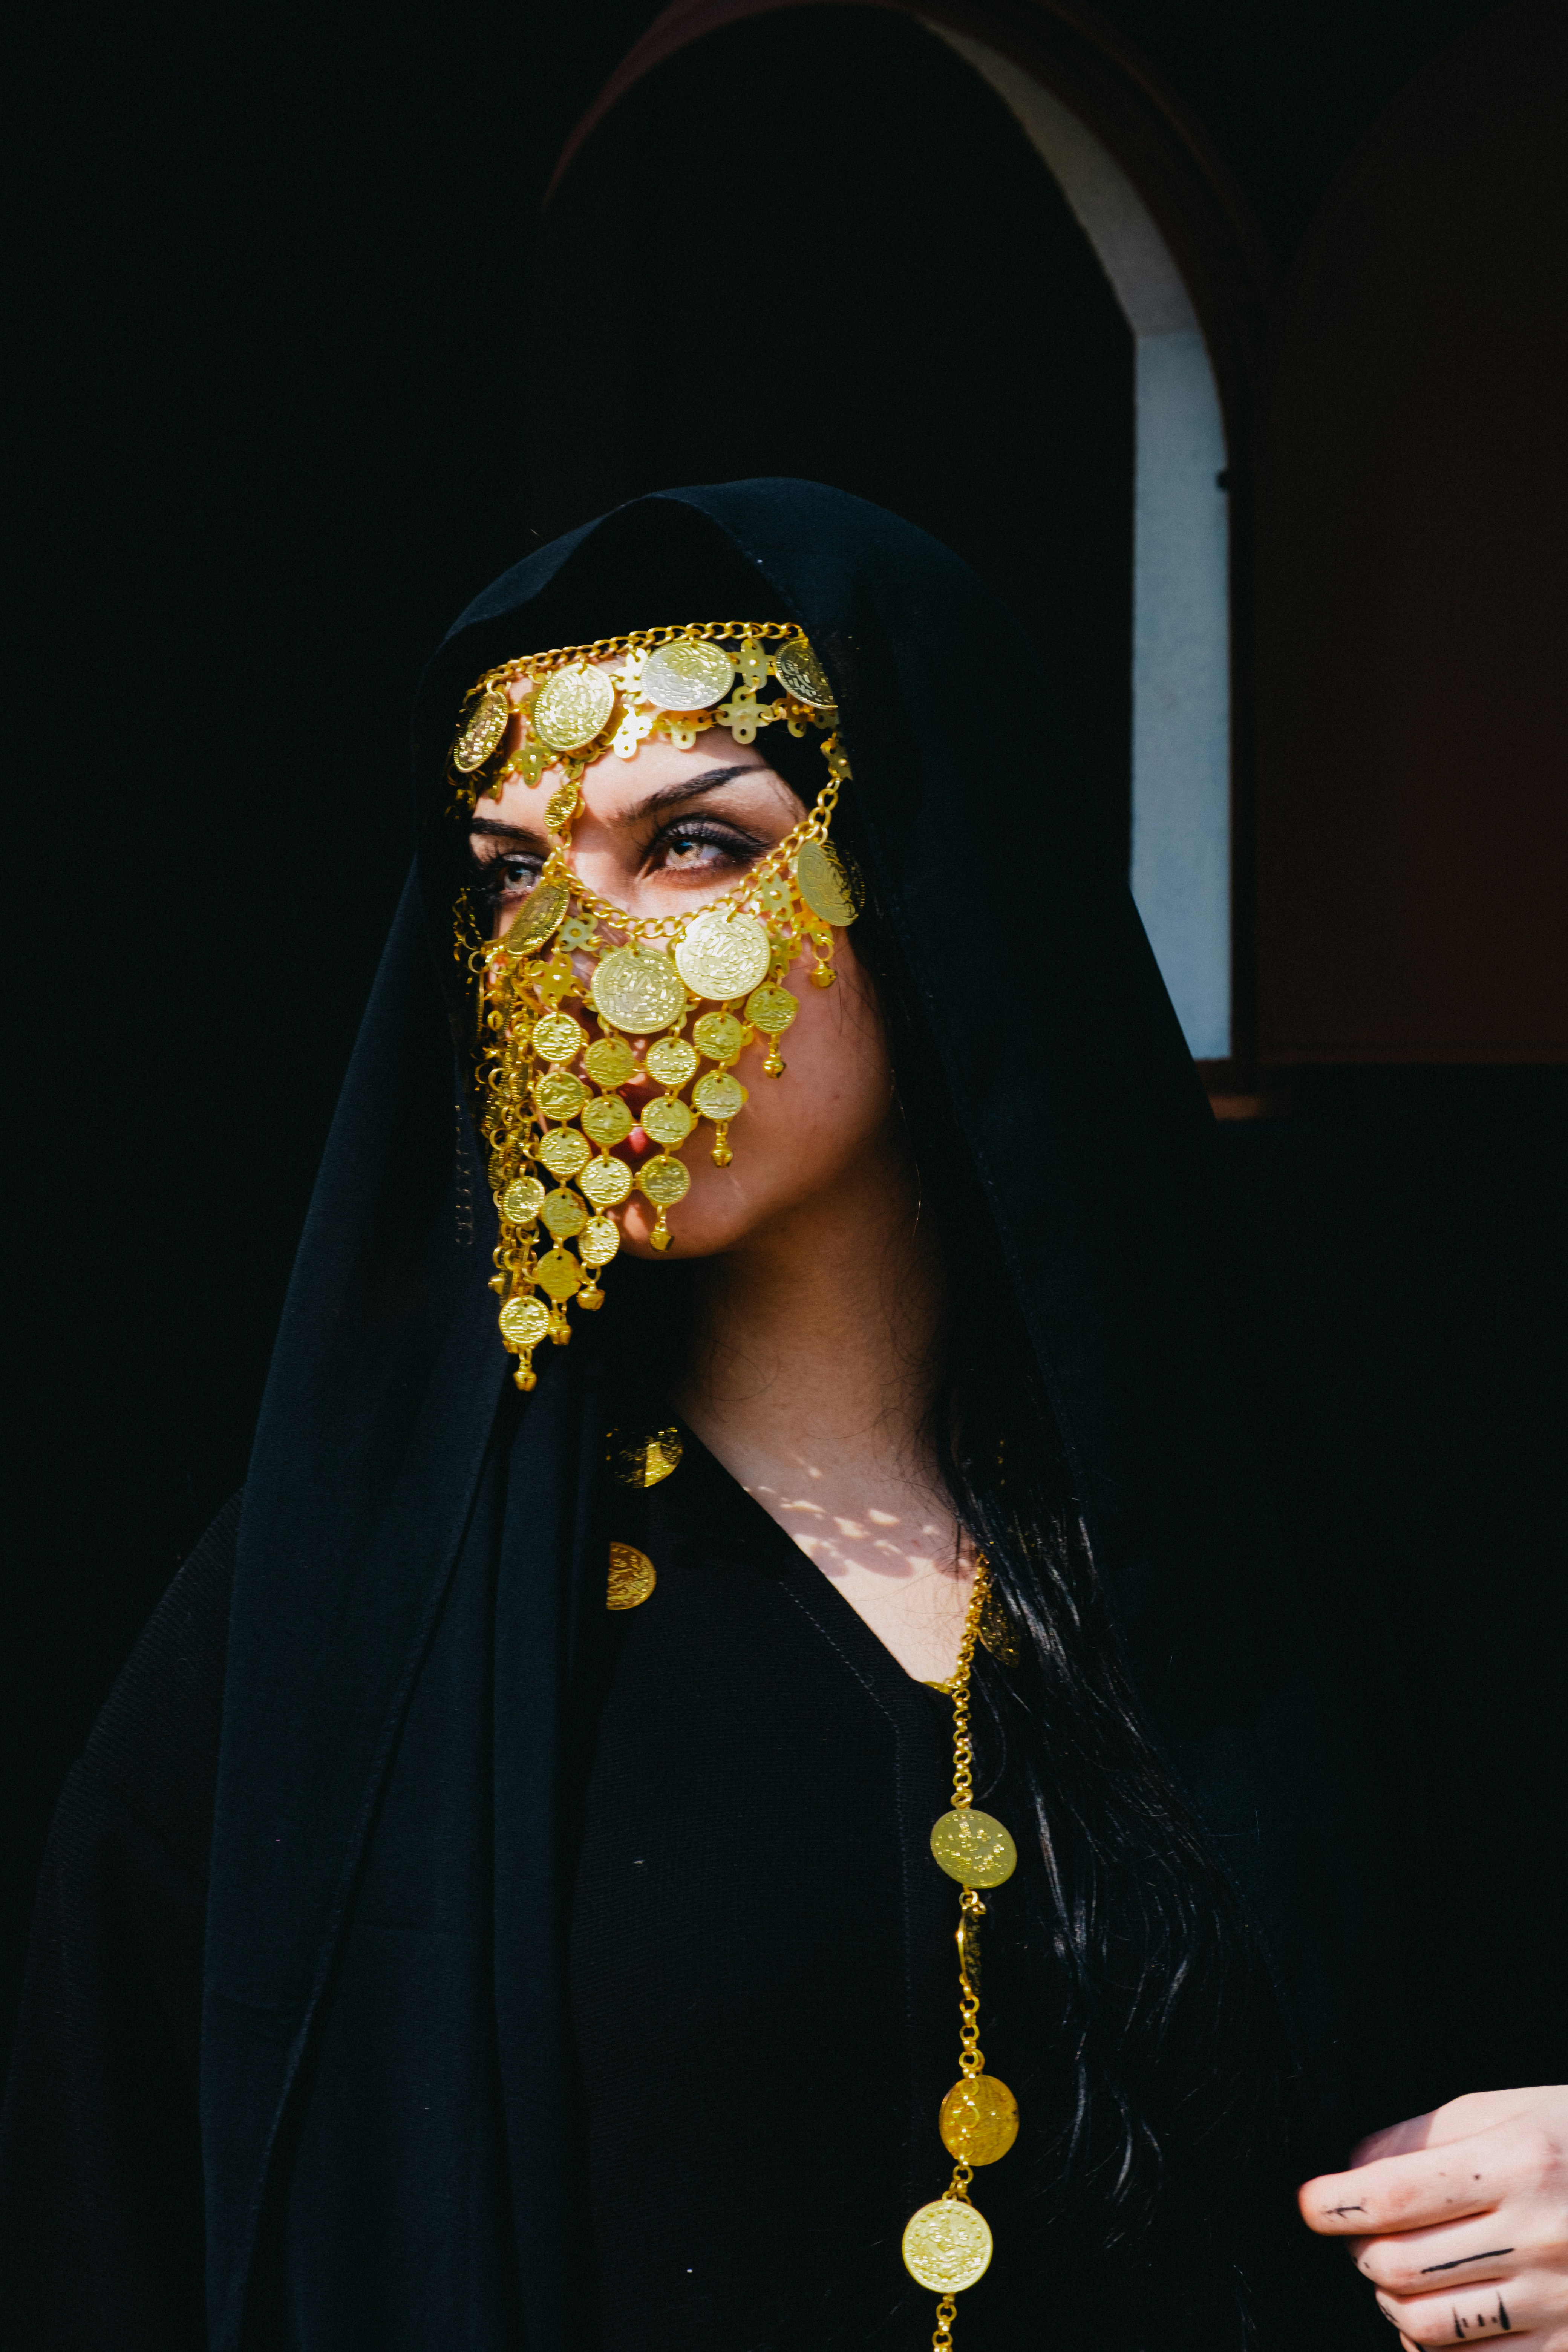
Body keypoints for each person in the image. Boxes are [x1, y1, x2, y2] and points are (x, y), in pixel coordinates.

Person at [4, 480, 1566, 2352]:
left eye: (689, 846)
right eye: (507, 874)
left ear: (922, 872)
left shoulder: (1297, 1548)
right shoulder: (334, 1617)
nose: (568, 961)